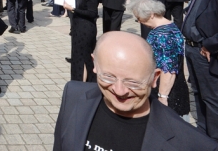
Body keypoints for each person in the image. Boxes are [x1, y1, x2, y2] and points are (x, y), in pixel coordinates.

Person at [53, 31, 218, 150]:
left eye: (133, 82)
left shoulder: (192, 143)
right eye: (108, 77)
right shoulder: (73, 95)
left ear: (155, 78)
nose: (119, 91)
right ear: (94, 65)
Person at [127, 0, 190, 118]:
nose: (139, 21)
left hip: (169, 92)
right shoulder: (167, 27)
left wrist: (163, 96)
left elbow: (168, 70)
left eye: (139, 18)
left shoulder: (164, 35)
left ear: (151, 14)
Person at [183, 0, 218, 140]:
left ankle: (214, 136)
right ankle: (203, 130)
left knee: (210, 96)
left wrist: (209, 44)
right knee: (196, 90)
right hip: (190, 49)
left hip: (205, 51)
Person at [62, 0, 100, 82]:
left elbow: (92, 13)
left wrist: (73, 9)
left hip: (86, 28)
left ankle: (86, 81)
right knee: (77, 56)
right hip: (78, 26)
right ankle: (78, 80)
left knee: (84, 57)